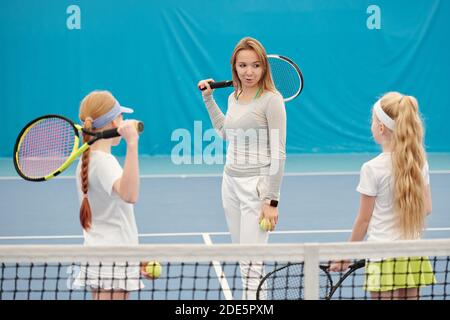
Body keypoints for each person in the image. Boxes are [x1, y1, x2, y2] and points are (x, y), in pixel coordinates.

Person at [198, 37, 286, 300]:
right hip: (230, 185)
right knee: (241, 257)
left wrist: (272, 200)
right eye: (243, 65)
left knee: (252, 264)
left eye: (256, 65)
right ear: (234, 67)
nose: (249, 72)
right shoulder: (234, 97)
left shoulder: (272, 100)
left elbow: (278, 153)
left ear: (264, 68)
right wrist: (208, 100)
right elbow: (226, 132)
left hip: (256, 189)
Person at [330, 92, 436, 299]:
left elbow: (363, 221)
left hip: (382, 256)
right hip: (413, 254)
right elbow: (427, 208)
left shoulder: (371, 168)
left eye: (373, 121)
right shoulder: (420, 162)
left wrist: (345, 254)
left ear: (380, 128)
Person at [72, 90, 145, 300]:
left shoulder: (90, 161)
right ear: (115, 123)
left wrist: (135, 258)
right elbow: (130, 194)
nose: (124, 120)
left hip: (102, 257)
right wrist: (132, 143)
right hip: (114, 261)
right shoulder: (104, 162)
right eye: (121, 116)